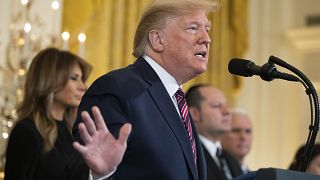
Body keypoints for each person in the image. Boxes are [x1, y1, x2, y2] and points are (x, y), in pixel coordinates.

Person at [72, 0, 219, 179]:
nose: (206, 38)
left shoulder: (176, 99)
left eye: (207, 28)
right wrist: (100, 175)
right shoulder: (119, 89)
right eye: (193, 28)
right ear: (157, 40)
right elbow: (80, 167)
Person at [4, 48, 92, 180]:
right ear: (51, 81)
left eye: (82, 79)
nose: (82, 86)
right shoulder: (26, 131)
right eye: (74, 78)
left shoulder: (74, 132)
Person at [186, 84, 243, 180]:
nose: (227, 112)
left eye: (227, 106)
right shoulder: (189, 155)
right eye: (217, 106)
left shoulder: (231, 160)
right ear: (195, 114)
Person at [220, 109, 253, 173]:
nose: (243, 137)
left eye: (248, 131)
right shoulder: (209, 170)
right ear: (221, 134)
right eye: (236, 131)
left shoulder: (255, 176)